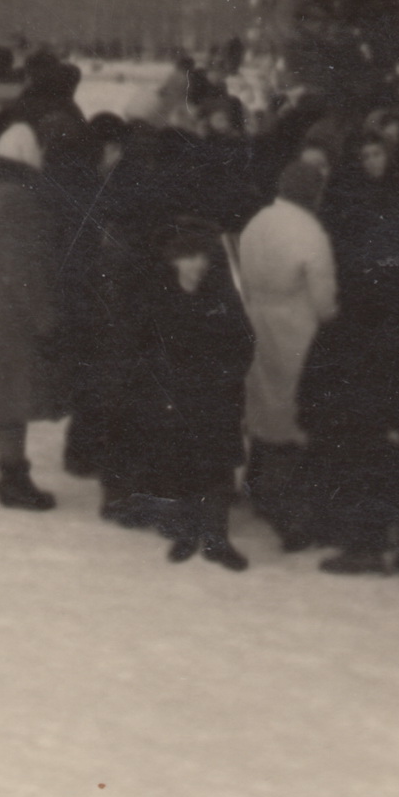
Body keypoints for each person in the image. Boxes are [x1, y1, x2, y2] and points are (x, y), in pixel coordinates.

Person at [126, 221, 257, 569]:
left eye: (202, 256)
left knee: (218, 467)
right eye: (189, 257)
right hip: (176, 397)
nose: (198, 263)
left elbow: (244, 341)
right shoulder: (159, 296)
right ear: (174, 259)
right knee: (180, 463)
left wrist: (227, 375)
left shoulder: (221, 296)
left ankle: (216, 539)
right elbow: (144, 347)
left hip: (217, 395)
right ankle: (186, 533)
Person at [0, 117, 75, 509]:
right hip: (15, 313)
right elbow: (25, 267)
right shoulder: (19, 197)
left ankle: (12, 473)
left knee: (5, 397)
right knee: (12, 397)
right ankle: (13, 479)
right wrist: (46, 317)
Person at [237, 157, 340, 550]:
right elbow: (324, 298)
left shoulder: (258, 221)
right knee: (294, 413)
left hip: (257, 319)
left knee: (262, 406)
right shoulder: (310, 231)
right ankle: (291, 510)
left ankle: (257, 483)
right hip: (297, 327)